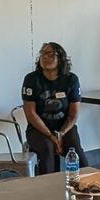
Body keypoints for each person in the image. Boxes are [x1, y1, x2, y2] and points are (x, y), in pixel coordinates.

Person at [21, 41, 82, 174]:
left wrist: (61, 134)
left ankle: (86, 186)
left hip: (65, 128)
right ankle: (47, 190)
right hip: (38, 129)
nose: (45, 57)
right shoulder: (31, 79)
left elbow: (73, 114)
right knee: (47, 148)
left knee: (75, 148)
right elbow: (30, 113)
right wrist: (51, 136)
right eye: (43, 53)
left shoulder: (71, 80)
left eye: (51, 54)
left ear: (61, 59)